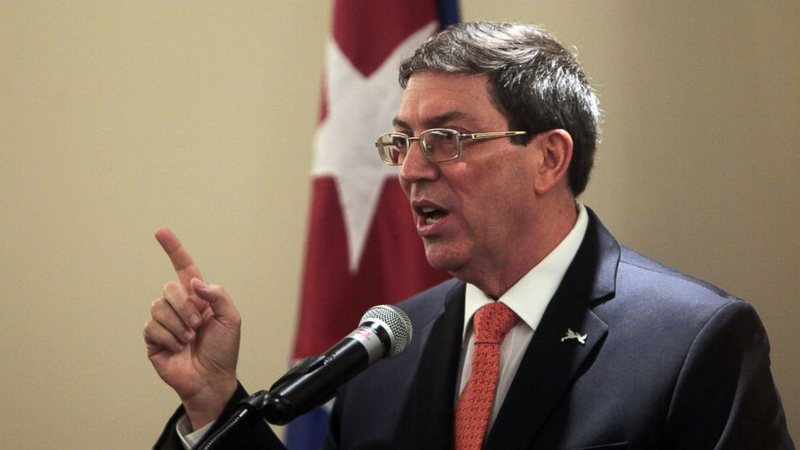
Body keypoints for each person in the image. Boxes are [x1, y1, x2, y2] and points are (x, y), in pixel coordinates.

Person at [144, 22, 794, 449]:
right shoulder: (382, 354)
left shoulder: (694, 342)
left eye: (446, 139)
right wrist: (213, 403)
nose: (411, 170)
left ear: (548, 158)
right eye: (403, 142)